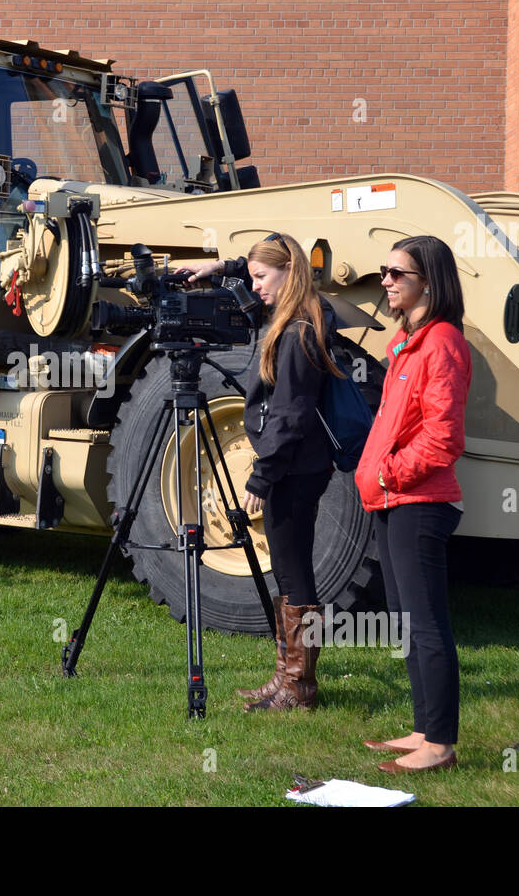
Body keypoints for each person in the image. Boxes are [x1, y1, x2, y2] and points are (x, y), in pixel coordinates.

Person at [184, 234, 341, 711]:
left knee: (295, 575)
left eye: (260, 278)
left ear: (288, 273)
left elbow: (291, 414)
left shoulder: (296, 333)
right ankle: (286, 678)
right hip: (298, 467)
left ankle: (299, 687)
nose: (254, 289)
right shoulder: (304, 315)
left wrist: (261, 476)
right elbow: (274, 256)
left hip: (292, 470)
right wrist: (224, 268)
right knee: (291, 576)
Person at [354, 235, 471, 773]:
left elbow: (444, 438)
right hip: (391, 498)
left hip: (419, 500)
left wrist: (389, 472)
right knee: (406, 621)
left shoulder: (442, 342)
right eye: (386, 271)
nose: (386, 281)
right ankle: (423, 728)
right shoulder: (408, 343)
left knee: (426, 625)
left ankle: (440, 746)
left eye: (397, 273)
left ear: (430, 281)